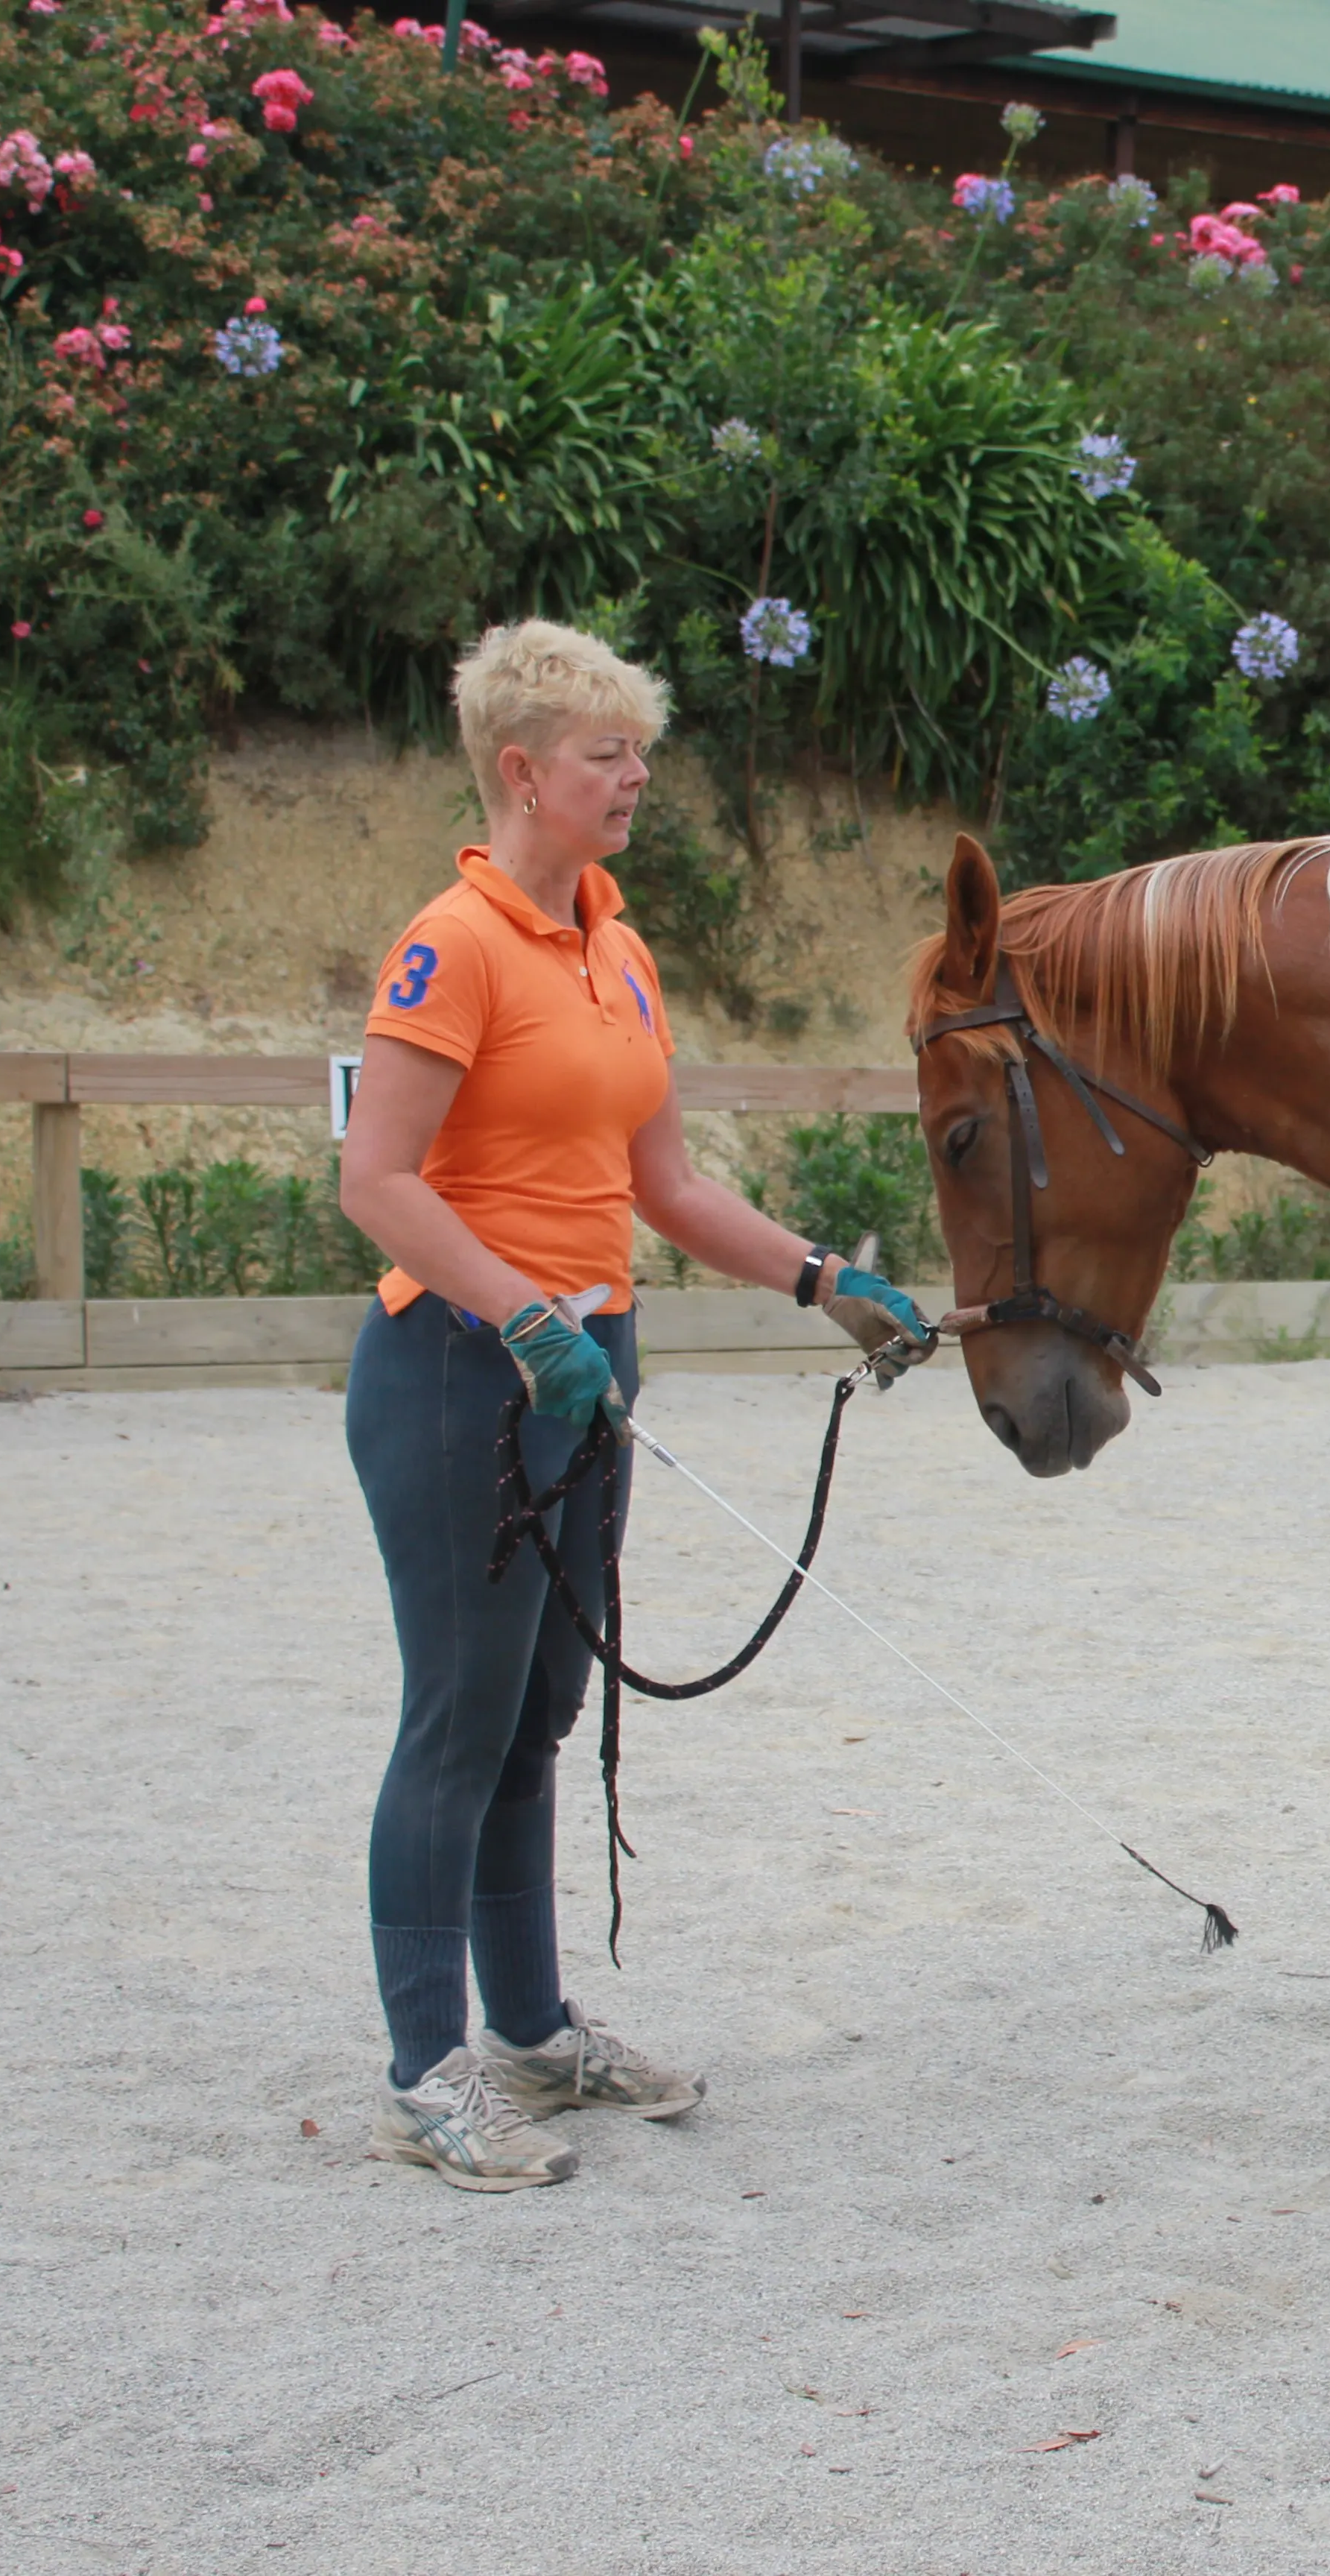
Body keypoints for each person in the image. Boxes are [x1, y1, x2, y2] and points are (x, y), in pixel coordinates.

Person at [336, 619, 927, 2190]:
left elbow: (662, 1183)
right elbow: (375, 1178)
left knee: (541, 1716)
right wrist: (519, 1311)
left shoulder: (617, 946)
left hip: (594, 1371)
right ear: (523, 771)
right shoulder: (448, 947)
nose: (637, 778)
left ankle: (531, 2035)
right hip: (464, 1373)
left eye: (641, 753)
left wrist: (826, 1281)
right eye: (610, 756)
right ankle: (423, 2072)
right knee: (457, 1721)